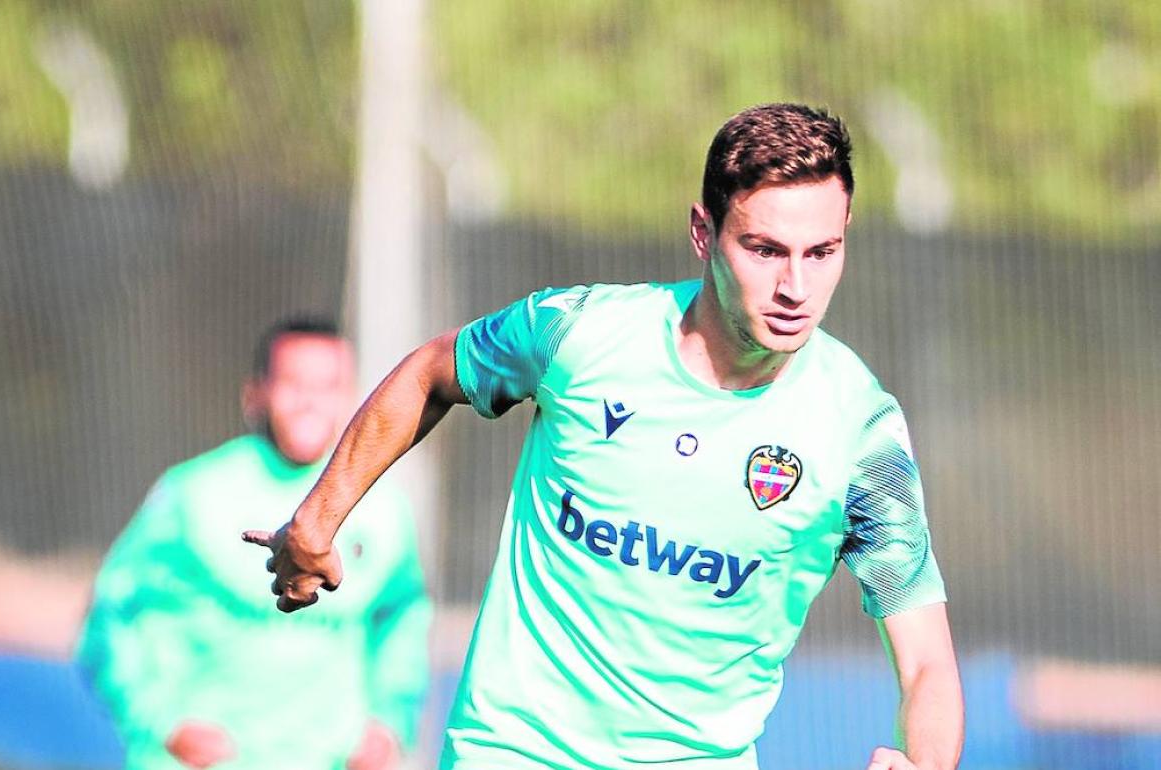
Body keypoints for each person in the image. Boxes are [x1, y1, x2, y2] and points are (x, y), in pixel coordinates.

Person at [246, 104, 964, 770]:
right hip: (513, 748)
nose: (796, 287)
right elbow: (434, 371)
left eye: (823, 252)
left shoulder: (860, 430)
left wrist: (926, 763)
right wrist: (318, 516)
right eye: (765, 249)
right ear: (702, 233)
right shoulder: (580, 334)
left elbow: (927, 658)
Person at [79, 317, 430, 770]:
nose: (309, 401)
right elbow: (108, 615)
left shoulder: (384, 507)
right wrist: (162, 722)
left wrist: (388, 726)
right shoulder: (192, 494)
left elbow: (403, 620)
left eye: (328, 385)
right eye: (292, 383)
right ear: (255, 394)